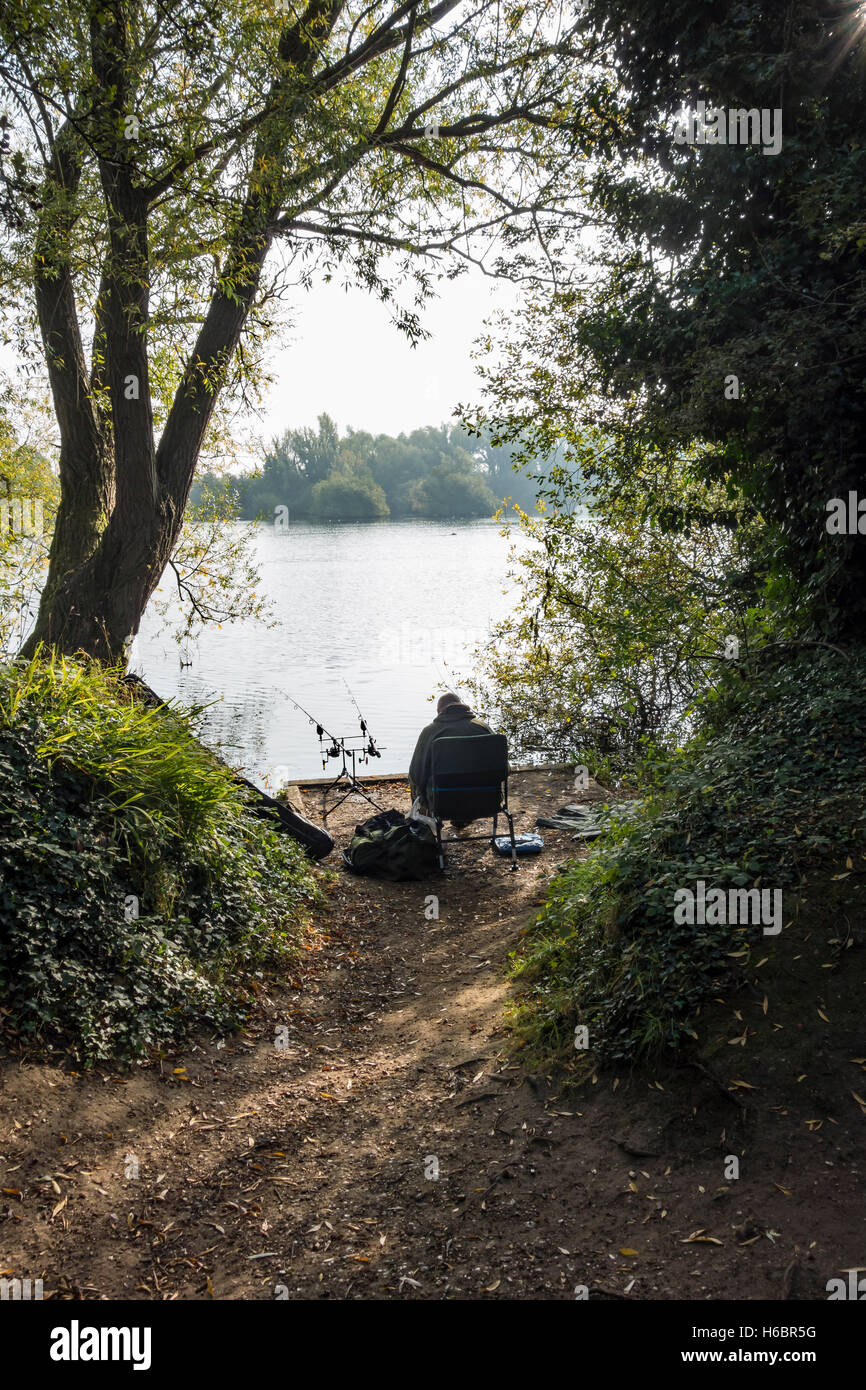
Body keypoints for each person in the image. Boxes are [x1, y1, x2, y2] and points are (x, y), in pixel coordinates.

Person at [408, 692, 493, 826]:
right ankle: (462, 819)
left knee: (414, 780)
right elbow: (505, 769)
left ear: (438, 712)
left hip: (441, 803)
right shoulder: (483, 728)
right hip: (488, 801)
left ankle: (426, 826)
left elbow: (416, 774)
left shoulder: (430, 732)